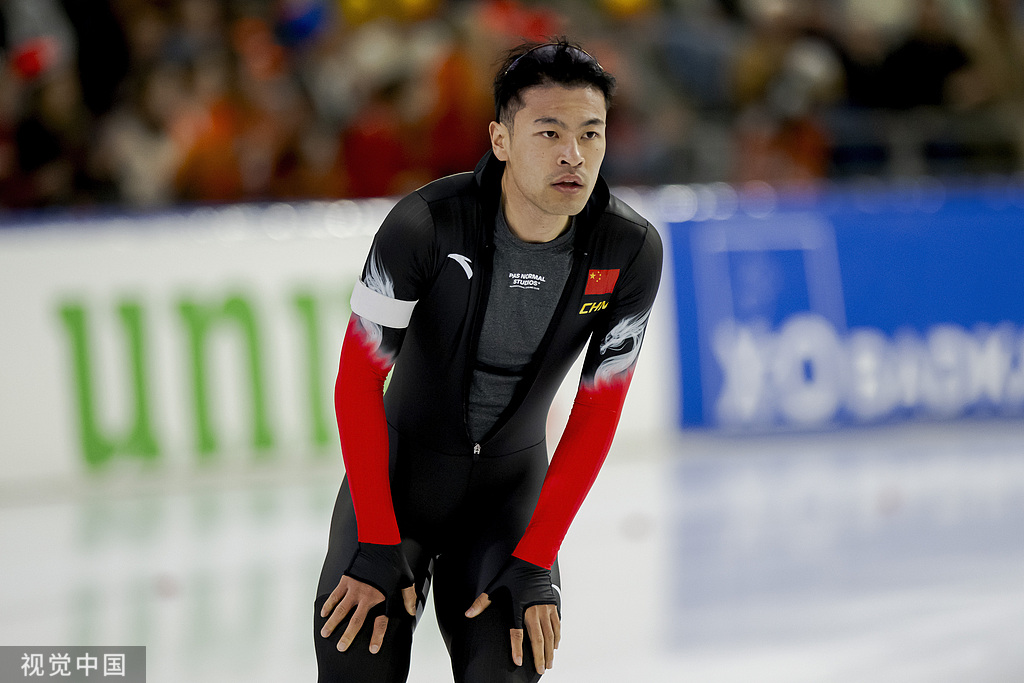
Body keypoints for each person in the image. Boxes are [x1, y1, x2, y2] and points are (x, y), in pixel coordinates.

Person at [313, 38, 663, 682]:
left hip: (507, 506)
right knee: (356, 662)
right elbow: (358, 382)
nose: (573, 154)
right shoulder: (424, 226)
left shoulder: (630, 249)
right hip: (396, 491)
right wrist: (376, 541)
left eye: (591, 133)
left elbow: (598, 410)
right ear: (500, 139)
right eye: (549, 132)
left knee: (507, 669)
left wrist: (537, 558)